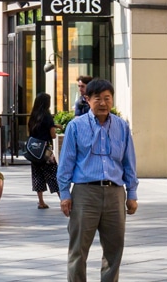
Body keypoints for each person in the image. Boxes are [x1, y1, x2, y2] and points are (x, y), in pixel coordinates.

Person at [57, 78, 138, 282]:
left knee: (114, 250)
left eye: (107, 98)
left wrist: (132, 194)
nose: (103, 103)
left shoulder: (122, 127)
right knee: (78, 250)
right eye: (97, 98)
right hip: (85, 193)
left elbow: (129, 163)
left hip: (115, 194)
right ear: (87, 99)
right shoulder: (76, 126)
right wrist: (65, 194)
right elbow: (66, 162)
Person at [28, 93, 61, 209]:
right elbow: (52, 135)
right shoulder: (47, 116)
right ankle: (62, 198)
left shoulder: (33, 116)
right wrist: (54, 130)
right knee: (53, 174)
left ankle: (41, 202)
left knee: (37, 175)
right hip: (46, 150)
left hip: (34, 150)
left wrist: (54, 125)